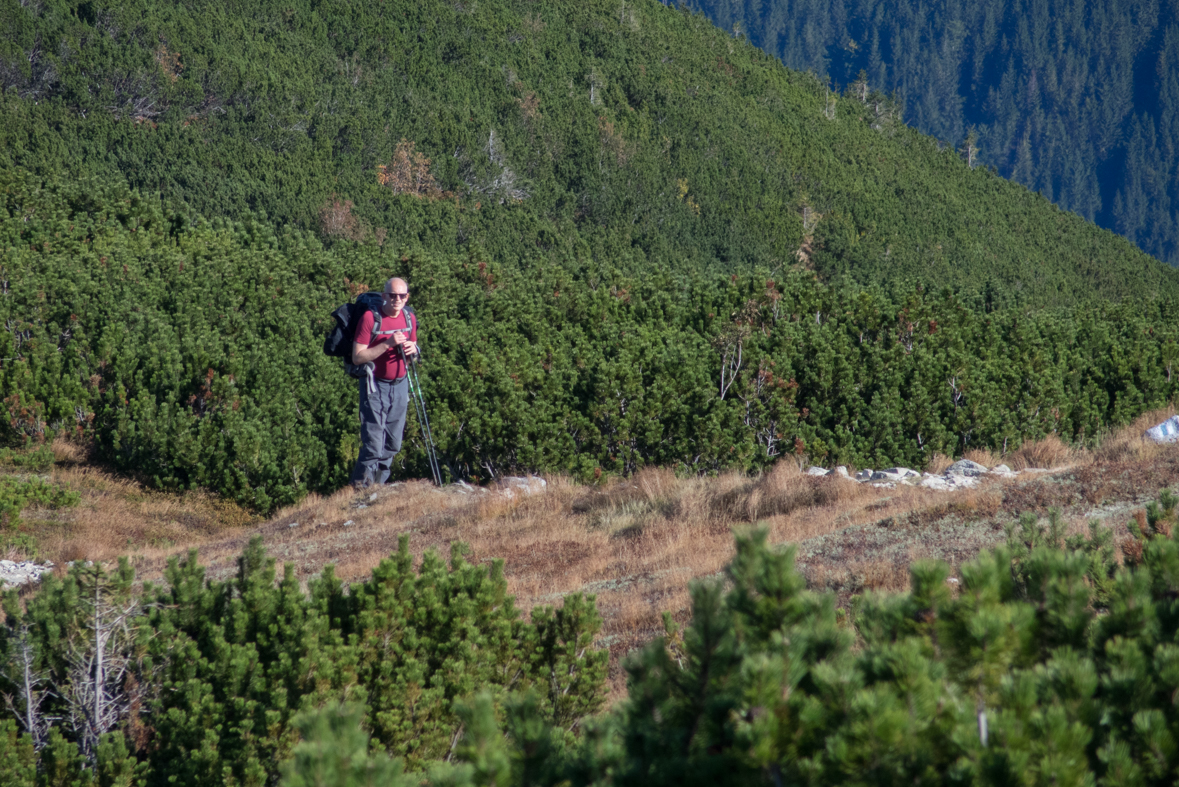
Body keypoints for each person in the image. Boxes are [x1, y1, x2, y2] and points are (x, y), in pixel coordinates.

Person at [349, 277, 418, 488]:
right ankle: (360, 491)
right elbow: (357, 357)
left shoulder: (409, 318)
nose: (397, 300)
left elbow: (413, 348)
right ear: (384, 296)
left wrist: (414, 351)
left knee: (393, 443)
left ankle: (377, 488)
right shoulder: (371, 318)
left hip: (400, 384)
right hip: (375, 386)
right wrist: (387, 343)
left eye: (402, 295)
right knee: (373, 445)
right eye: (392, 295)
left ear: (407, 297)